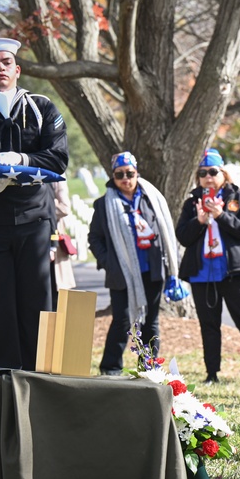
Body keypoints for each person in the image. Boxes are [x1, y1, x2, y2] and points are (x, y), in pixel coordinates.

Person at [0, 37, 69, 370]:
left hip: (35, 220)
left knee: (38, 302)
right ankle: (2, 379)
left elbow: (58, 158)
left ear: (17, 69)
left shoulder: (41, 107)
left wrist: (22, 159)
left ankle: (40, 377)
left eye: (5, 62)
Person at [175, 148, 240, 387]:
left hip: (234, 272)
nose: (208, 177)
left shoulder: (237, 198)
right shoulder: (192, 202)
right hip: (202, 274)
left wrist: (220, 215)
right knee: (209, 325)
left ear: (224, 174)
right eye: (203, 172)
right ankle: (212, 373)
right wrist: (198, 221)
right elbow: (183, 237)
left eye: (213, 171)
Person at [89, 152, 180, 375]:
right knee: (122, 321)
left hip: (152, 270)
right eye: (120, 175)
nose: (125, 179)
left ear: (137, 173)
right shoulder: (104, 205)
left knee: (151, 321)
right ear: (113, 177)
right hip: (121, 274)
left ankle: (148, 367)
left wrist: (170, 269)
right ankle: (110, 367)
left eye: (130, 173)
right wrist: (108, 261)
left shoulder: (152, 199)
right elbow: (94, 238)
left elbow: (165, 231)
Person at [50, 180, 77, 307]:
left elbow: (64, 207)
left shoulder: (57, 177)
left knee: (57, 300)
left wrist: (41, 204)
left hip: (55, 243)